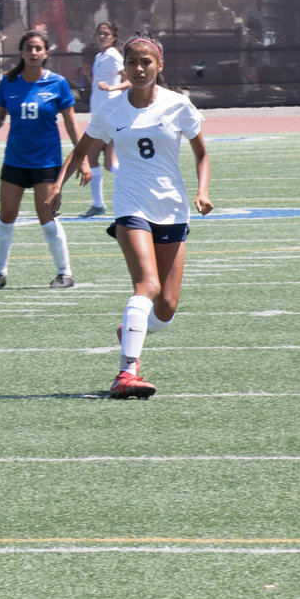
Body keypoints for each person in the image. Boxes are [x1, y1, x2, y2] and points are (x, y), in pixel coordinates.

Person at [61, 36, 212, 398]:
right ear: (124, 68)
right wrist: (56, 187)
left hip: (172, 208)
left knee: (166, 309)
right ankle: (125, 373)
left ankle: (132, 327)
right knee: (148, 285)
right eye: (132, 62)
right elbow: (81, 149)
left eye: (146, 62)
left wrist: (202, 191)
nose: (139, 68)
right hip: (131, 206)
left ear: (160, 66)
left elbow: (202, 155)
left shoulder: (179, 105)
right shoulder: (112, 109)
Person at [0, 28, 88, 290]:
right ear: (22, 53)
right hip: (15, 161)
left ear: (46, 53)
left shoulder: (57, 83)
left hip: (46, 163)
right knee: (6, 216)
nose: (34, 52)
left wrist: (82, 158)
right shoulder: (8, 82)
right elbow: (0, 117)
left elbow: (72, 125)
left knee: (46, 217)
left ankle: (65, 273)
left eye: (38, 48)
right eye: (29, 48)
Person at [84, 20, 123, 216]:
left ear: (114, 37)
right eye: (99, 33)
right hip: (102, 113)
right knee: (110, 163)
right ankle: (138, 184)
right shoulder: (101, 56)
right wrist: (90, 78)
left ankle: (98, 204)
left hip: (108, 114)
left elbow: (130, 79)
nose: (101, 36)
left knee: (90, 156)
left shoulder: (113, 56)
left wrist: (112, 88)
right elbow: (101, 85)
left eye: (106, 33)